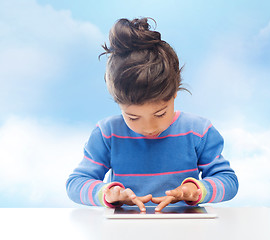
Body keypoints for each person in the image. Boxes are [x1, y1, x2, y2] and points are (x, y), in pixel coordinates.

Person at [66, 17, 238, 212]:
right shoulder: (107, 134)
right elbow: (75, 184)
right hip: (125, 231)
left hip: (187, 229)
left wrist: (197, 190)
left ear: (174, 93)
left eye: (160, 113)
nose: (149, 127)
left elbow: (228, 181)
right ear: (118, 104)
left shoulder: (198, 131)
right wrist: (108, 193)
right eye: (133, 117)